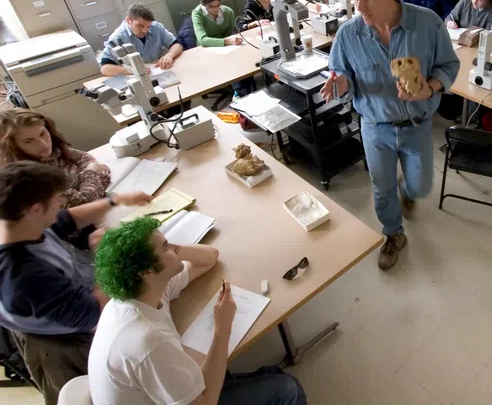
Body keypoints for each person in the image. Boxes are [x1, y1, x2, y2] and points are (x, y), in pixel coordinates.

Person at [320, 0, 460, 270]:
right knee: (382, 189)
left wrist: (432, 87)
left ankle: (408, 190)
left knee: (421, 185)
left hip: (417, 122)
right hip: (375, 125)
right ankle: (393, 233)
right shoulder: (349, 34)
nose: (360, 6)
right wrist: (340, 83)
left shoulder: (427, 24)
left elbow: (449, 65)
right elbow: (341, 74)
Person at [89, 217, 307, 405]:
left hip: (160, 393)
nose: (175, 247)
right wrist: (222, 329)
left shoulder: (141, 292)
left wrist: (171, 250)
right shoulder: (147, 341)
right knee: (288, 389)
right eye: (165, 247)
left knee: (271, 373)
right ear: (146, 271)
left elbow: (210, 257)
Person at [0, 162, 151, 403]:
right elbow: (96, 312)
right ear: (36, 209)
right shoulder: (27, 278)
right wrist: (103, 256)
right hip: (71, 340)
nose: (63, 203)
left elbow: (67, 219)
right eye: (58, 198)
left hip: (71, 305)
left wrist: (116, 200)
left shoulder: (19, 224)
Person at [0, 109, 111, 209]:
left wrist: (90, 182)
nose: (42, 144)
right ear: (14, 147)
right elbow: (85, 205)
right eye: (28, 141)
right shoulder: (28, 177)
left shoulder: (51, 152)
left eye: (42, 133)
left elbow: (84, 158)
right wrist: (93, 174)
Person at [100, 3, 183, 77]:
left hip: (158, 72)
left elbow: (176, 44)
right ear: (128, 21)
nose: (145, 30)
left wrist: (169, 55)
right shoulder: (117, 37)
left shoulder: (156, 27)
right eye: (140, 26)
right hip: (136, 77)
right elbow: (105, 68)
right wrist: (134, 70)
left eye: (148, 26)